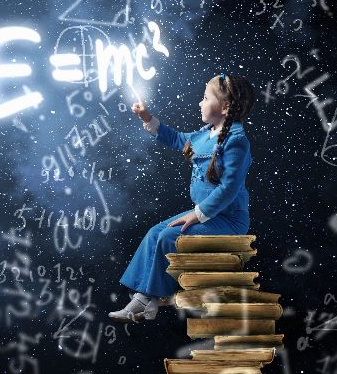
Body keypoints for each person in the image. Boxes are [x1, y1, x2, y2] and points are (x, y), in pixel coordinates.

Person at [108, 74, 256, 323]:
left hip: (227, 220)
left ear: (225, 106)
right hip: (207, 214)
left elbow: (229, 189)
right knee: (156, 232)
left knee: (169, 237)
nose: (200, 103)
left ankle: (149, 299)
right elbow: (179, 140)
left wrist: (197, 214)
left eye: (206, 97)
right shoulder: (205, 134)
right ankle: (146, 298)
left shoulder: (236, 141)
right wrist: (148, 118)